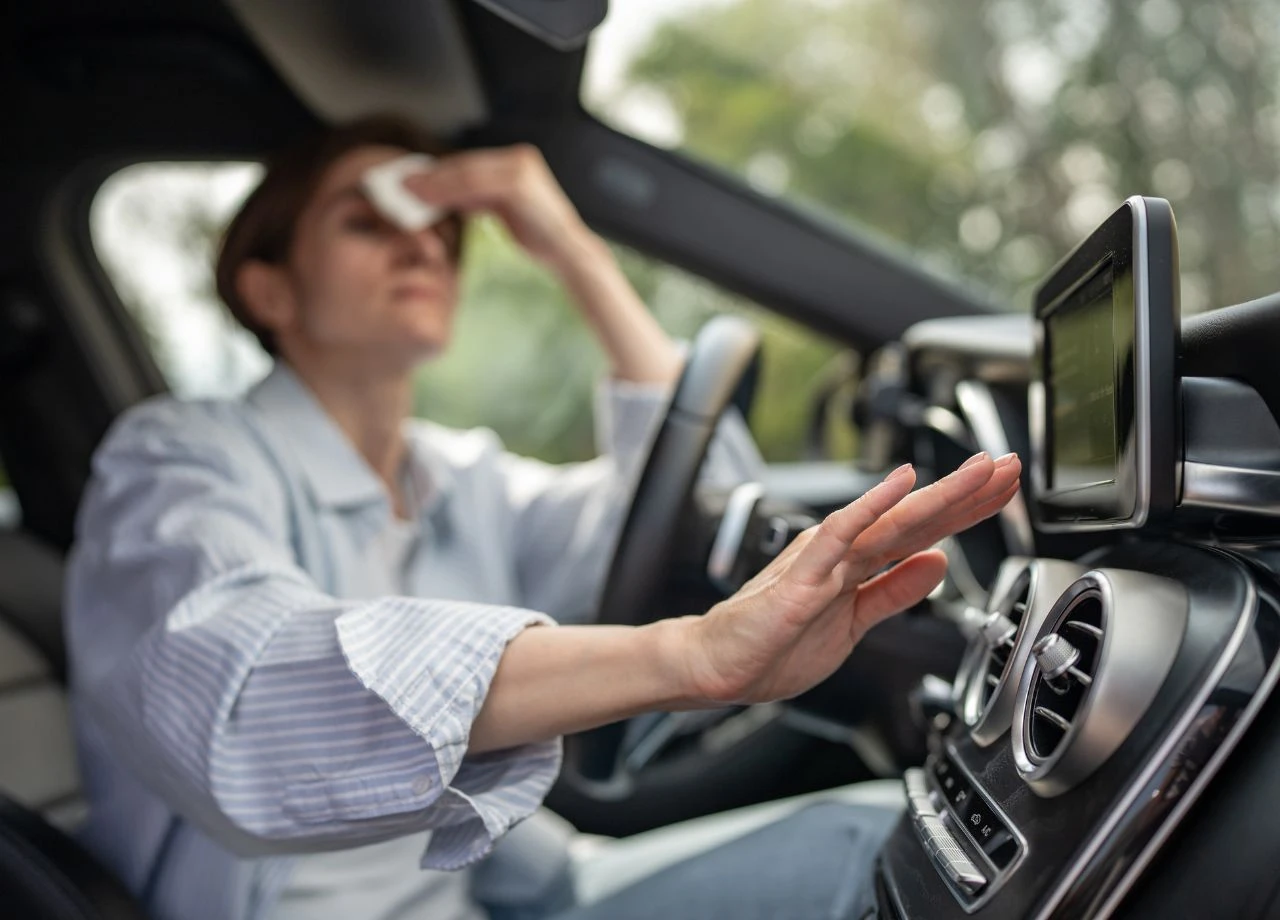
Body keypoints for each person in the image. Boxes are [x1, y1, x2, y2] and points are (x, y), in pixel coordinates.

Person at [64, 115, 1022, 920]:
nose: (421, 244)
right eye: (367, 221)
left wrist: (569, 245)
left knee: (892, 846)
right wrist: (684, 658)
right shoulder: (175, 459)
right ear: (267, 286)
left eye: (444, 235)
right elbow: (248, 703)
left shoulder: (464, 477)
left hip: (506, 893)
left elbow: (701, 516)